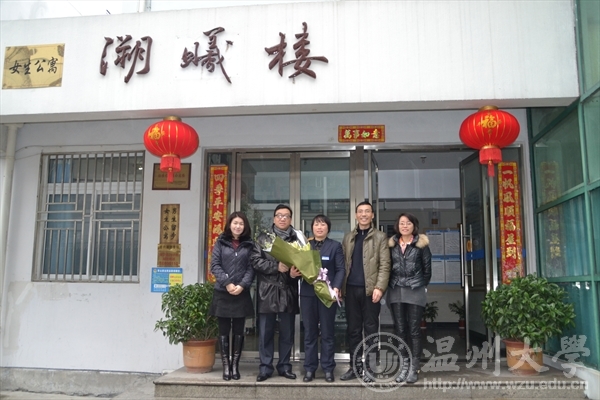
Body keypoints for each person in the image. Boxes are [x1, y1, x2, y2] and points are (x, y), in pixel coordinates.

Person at [251, 204, 305, 382]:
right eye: (279, 215)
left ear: (290, 219)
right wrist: (276, 267)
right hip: (267, 290)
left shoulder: (297, 239)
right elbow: (255, 261)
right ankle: (265, 367)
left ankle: (284, 366)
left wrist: (294, 273)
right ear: (274, 218)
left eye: (286, 216)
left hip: (288, 290)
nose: (282, 218)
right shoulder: (264, 238)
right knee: (265, 332)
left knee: (287, 333)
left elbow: (303, 264)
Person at [340, 201, 391, 381]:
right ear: (356, 215)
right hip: (350, 290)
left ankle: (370, 368)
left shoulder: (380, 237)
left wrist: (379, 287)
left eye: (367, 211)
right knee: (353, 330)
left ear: (372, 215)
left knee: (371, 330)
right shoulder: (348, 238)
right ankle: (354, 368)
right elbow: (343, 264)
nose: (363, 214)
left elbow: (385, 265)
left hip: (371, 291)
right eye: (360, 211)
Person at [209, 211, 256, 381]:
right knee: (223, 330)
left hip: (241, 293)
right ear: (229, 224)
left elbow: (252, 268)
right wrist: (227, 283)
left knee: (238, 330)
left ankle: (235, 365)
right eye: (235, 223)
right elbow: (214, 265)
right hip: (223, 292)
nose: (238, 226)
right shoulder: (220, 242)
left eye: (241, 224)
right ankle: (226, 366)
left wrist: (242, 285)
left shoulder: (249, 245)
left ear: (245, 226)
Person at [299, 214, 345, 383]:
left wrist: (336, 287)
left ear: (328, 228)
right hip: (308, 294)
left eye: (323, 224)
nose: (319, 227)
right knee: (309, 333)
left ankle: (328, 368)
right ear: (312, 228)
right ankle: (309, 369)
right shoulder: (305, 246)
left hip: (327, 294)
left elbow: (340, 269)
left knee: (327, 332)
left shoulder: (335, 246)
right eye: (316, 224)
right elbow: (299, 266)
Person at [387, 212, 431, 384]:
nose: (405, 226)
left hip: (415, 290)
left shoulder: (421, 245)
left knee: (413, 329)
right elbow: (387, 267)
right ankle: (403, 365)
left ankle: (414, 367)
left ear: (414, 226)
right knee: (400, 329)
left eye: (408, 223)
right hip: (396, 289)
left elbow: (427, 271)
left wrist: (419, 284)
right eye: (402, 223)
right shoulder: (391, 245)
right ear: (397, 226)